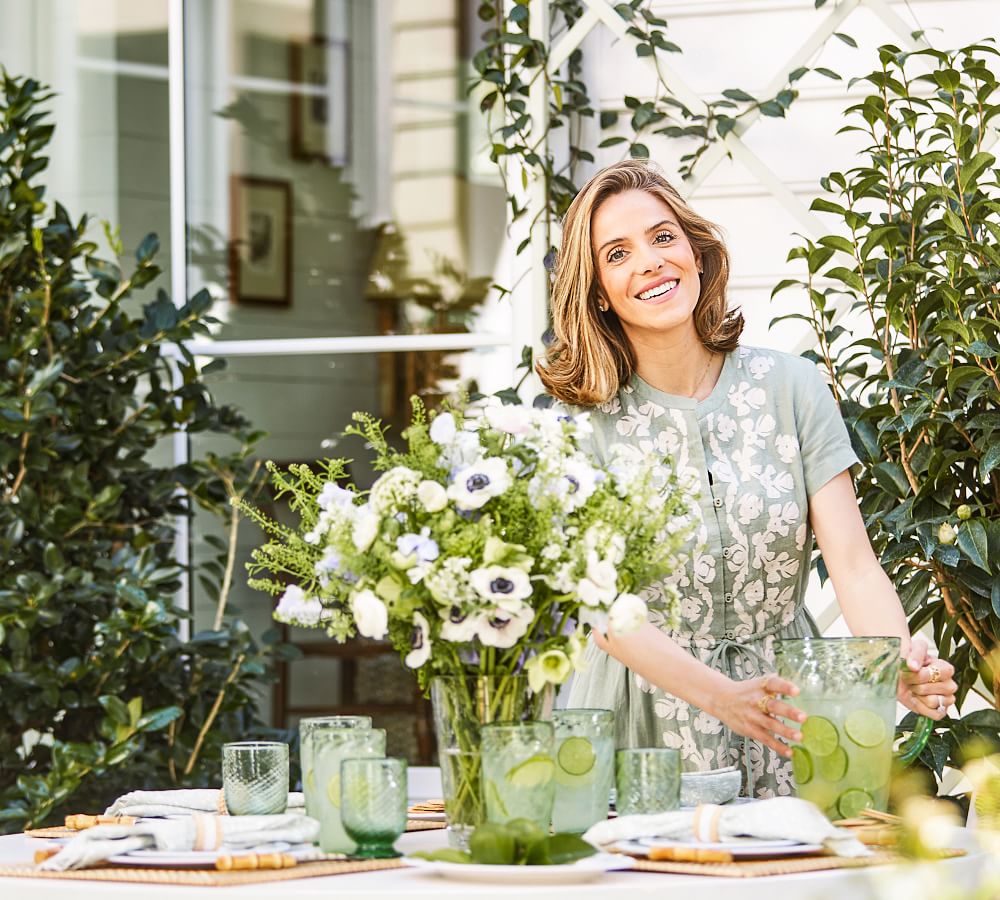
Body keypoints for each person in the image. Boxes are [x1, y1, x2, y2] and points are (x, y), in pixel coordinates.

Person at [538, 159, 957, 797]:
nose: (650, 261)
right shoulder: (576, 426)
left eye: (662, 237)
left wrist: (890, 662)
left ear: (697, 254)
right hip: (637, 722)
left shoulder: (792, 386)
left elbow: (853, 563)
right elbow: (604, 612)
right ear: (597, 288)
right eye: (617, 253)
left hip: (791, 708)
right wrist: (724, 698)